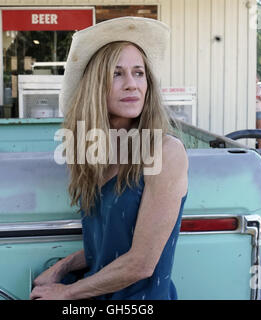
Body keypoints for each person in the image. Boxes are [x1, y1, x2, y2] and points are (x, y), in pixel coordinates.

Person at [30, 17, 188, 300]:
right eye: (117, 74)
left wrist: (66, 293)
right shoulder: (92, 152)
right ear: (95, 86)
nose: (132, 85)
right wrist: (62, 268)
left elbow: (140, 263)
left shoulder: (165, 151)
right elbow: (104, 247)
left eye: (138, 73)